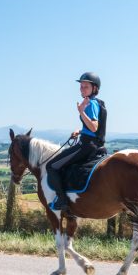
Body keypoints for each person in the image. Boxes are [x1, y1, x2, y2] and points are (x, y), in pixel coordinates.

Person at [46, 72, 107, 210]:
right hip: (93, 142)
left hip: (86, 145)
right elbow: (92, 129)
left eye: (86, 86)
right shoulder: (96, 103)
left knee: (51, 166)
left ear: (94, 88)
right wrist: (79, 131)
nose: (82, 89)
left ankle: (62, 201)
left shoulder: (90, 104)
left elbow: (94, 126)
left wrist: (81, 111)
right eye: (81, 86)